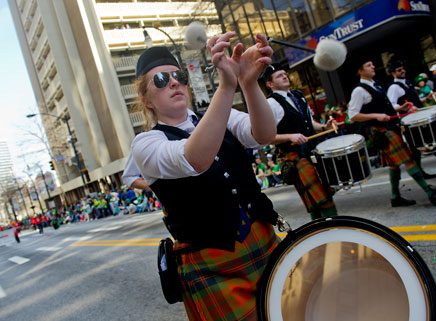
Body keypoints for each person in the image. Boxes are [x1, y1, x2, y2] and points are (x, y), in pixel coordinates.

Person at [126, 32, 280, 320]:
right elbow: (195, 159)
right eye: (160, 80)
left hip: (263, 241)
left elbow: (265, 134)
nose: (173, 82)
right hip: (212, 265)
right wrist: (226, 87)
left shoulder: (221, 115)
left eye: (179, 76)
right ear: (146, 100)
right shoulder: (145, 144)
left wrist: (248, 83)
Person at [348, 59, 436, 207]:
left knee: (394, 165)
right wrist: (376, 116)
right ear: (360, 71)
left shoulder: (375, 85)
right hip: (380, 131)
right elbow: (353, 115)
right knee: (408, 159)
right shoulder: (359, 90)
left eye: (372, 64)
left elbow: (387, 107)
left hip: (390, 126)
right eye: (368, 65)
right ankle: (430, 192)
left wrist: (401, 108)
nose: (373, 67)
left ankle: (395, 197)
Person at [262, 63, 338, 219]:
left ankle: (319, 233)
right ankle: (334, 228)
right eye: (279, 75)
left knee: (317, 198)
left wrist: (324, 126)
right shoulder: (270, 104)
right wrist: (289, 136)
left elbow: (310, 122)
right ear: (270, 84)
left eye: (284, 73)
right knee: (323, 200)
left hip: (312, 152)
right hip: (295, 156)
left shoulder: (298, 95)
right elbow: (265, 137)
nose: (284, 76)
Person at [386, 59, 436, 178]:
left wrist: (426, 98)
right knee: (429, 144)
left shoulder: (407, 82)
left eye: (403, 68)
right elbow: (391, 105)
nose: (403, 71)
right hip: (410, 122)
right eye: (399, 70)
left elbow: (415, 101)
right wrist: (404, 108)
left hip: (418, 119)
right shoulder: (394, 87)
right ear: (393, 73)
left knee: (421, 147)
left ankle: (424, 172)